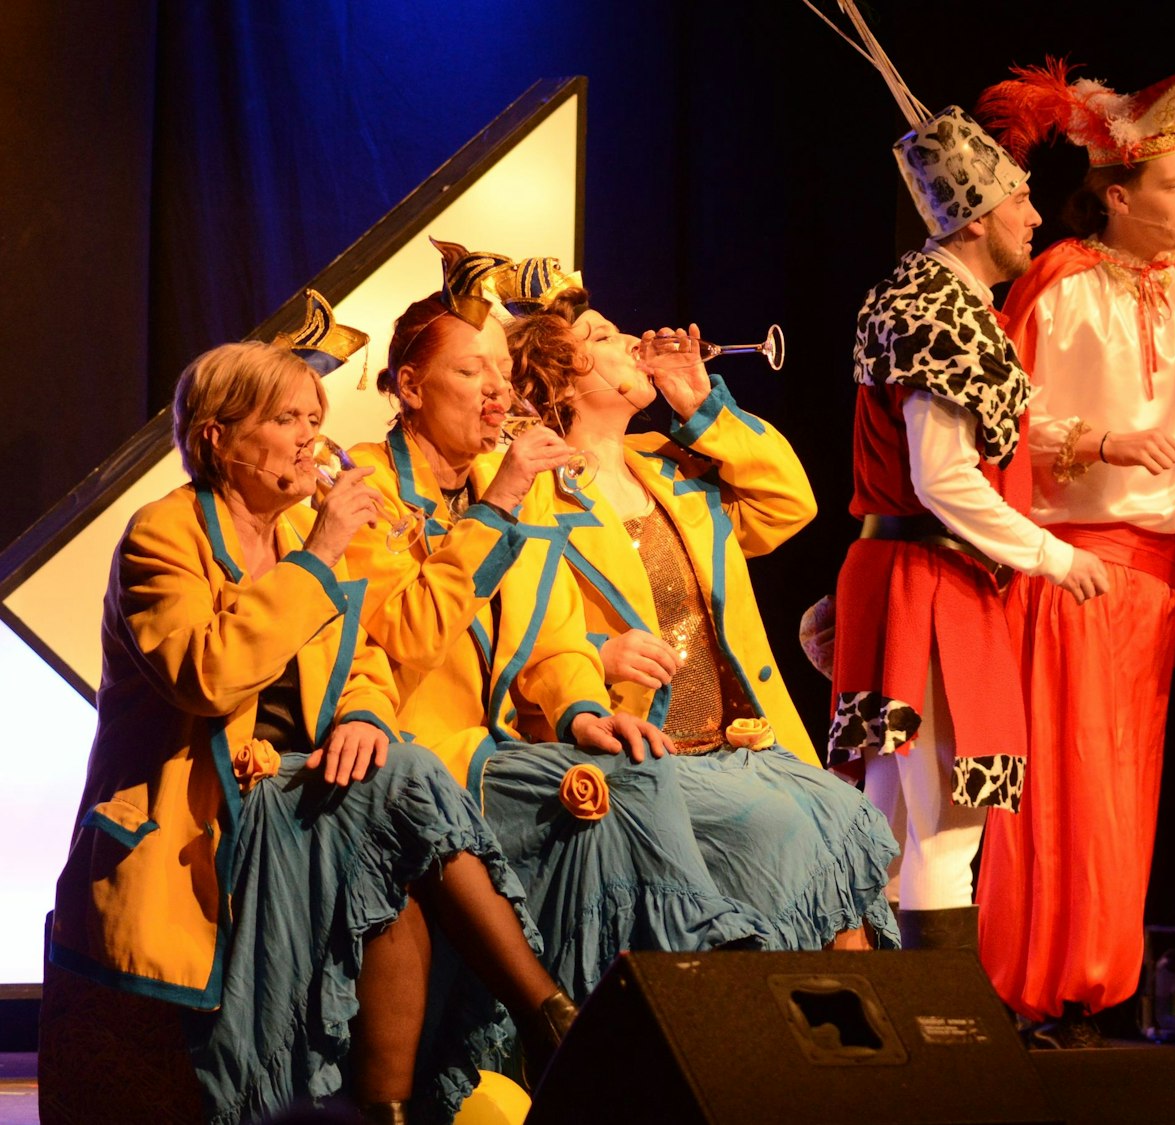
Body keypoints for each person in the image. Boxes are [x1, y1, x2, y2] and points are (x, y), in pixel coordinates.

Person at [45, 312, 570, 1125]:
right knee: (408, 778)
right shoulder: (164, 535)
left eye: (315, 419)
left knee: (389, 862)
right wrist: (319, 559)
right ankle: (546, 1010)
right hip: (207, 818)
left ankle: (397, 1107)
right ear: (219, 437)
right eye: (286, 419)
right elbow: (208, 673)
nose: (309, 439)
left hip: (300, 798)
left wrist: (365, 717)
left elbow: (363, 663)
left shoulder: (292, 527)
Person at [342, 242, 763, 1002]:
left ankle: (675, 981)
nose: (495, 392)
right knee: (613, 795)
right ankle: (673, 974)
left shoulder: (504, 479)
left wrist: (581, 709)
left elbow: (552, 632)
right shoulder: (367, 482)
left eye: (502, 373)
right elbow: (408, 630)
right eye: (471, 373)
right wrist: (498, 505)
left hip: (505, 741)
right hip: (424, 750)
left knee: (638, 766)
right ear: (409, 386)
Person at [971, 62, 1175, 1046]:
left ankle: (1096, 986)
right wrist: (1099, 442)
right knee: (1061, 780)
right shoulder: (1058, 282)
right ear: (1119, 197)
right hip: (1069, 566)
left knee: (1126, 786)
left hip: (1154, 580)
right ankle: (1029, 981)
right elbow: (998, 416)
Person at [814, 4, 1108, 955]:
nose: (1035, 215)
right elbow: (943, 478)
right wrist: (1054, 556)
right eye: (1021, 201)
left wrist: (1095, 445)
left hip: (913, 578)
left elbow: (969, 444)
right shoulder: (940, 309)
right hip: (933, 585)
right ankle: (942, 1027)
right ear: (978, 216)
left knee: (895, 825)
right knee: (941, 827)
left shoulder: (930, 296)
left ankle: (886, 1018)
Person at [503, 275, 899, 949]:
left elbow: (789, 505)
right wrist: (598, 653)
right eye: (604, 337)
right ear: (560, 386)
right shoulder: (539, 492)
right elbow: (520, 620)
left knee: (843, 821)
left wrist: (702, 406)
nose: (634, 340)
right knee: (790, 834)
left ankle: (848, 1013)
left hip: (736, 745)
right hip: (645, 754)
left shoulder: (671, 465)